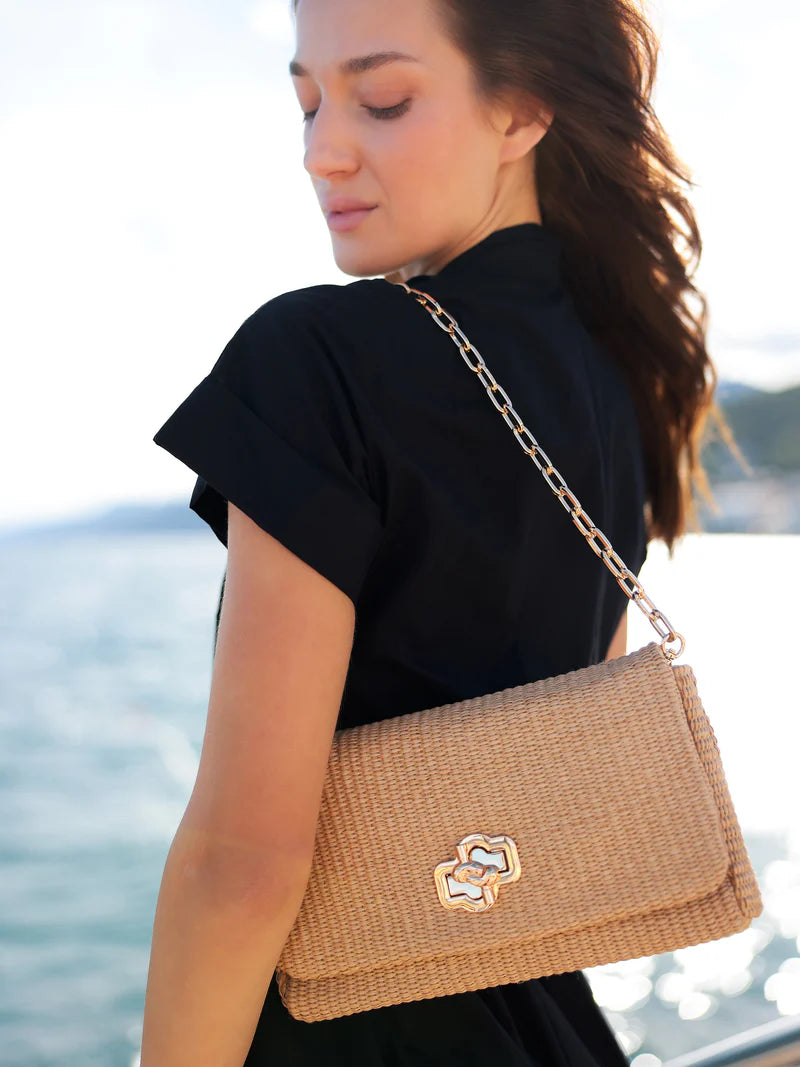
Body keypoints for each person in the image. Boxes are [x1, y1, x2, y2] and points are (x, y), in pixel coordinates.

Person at [143, 0, 731, 1062]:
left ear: (523, 108)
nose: (322, 152)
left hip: (351, 1029)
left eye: (382, 100)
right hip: (542, 1018)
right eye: (309, 103)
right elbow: (559, 746)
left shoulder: (318, 359)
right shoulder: (622, 380)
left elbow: (246, 860)